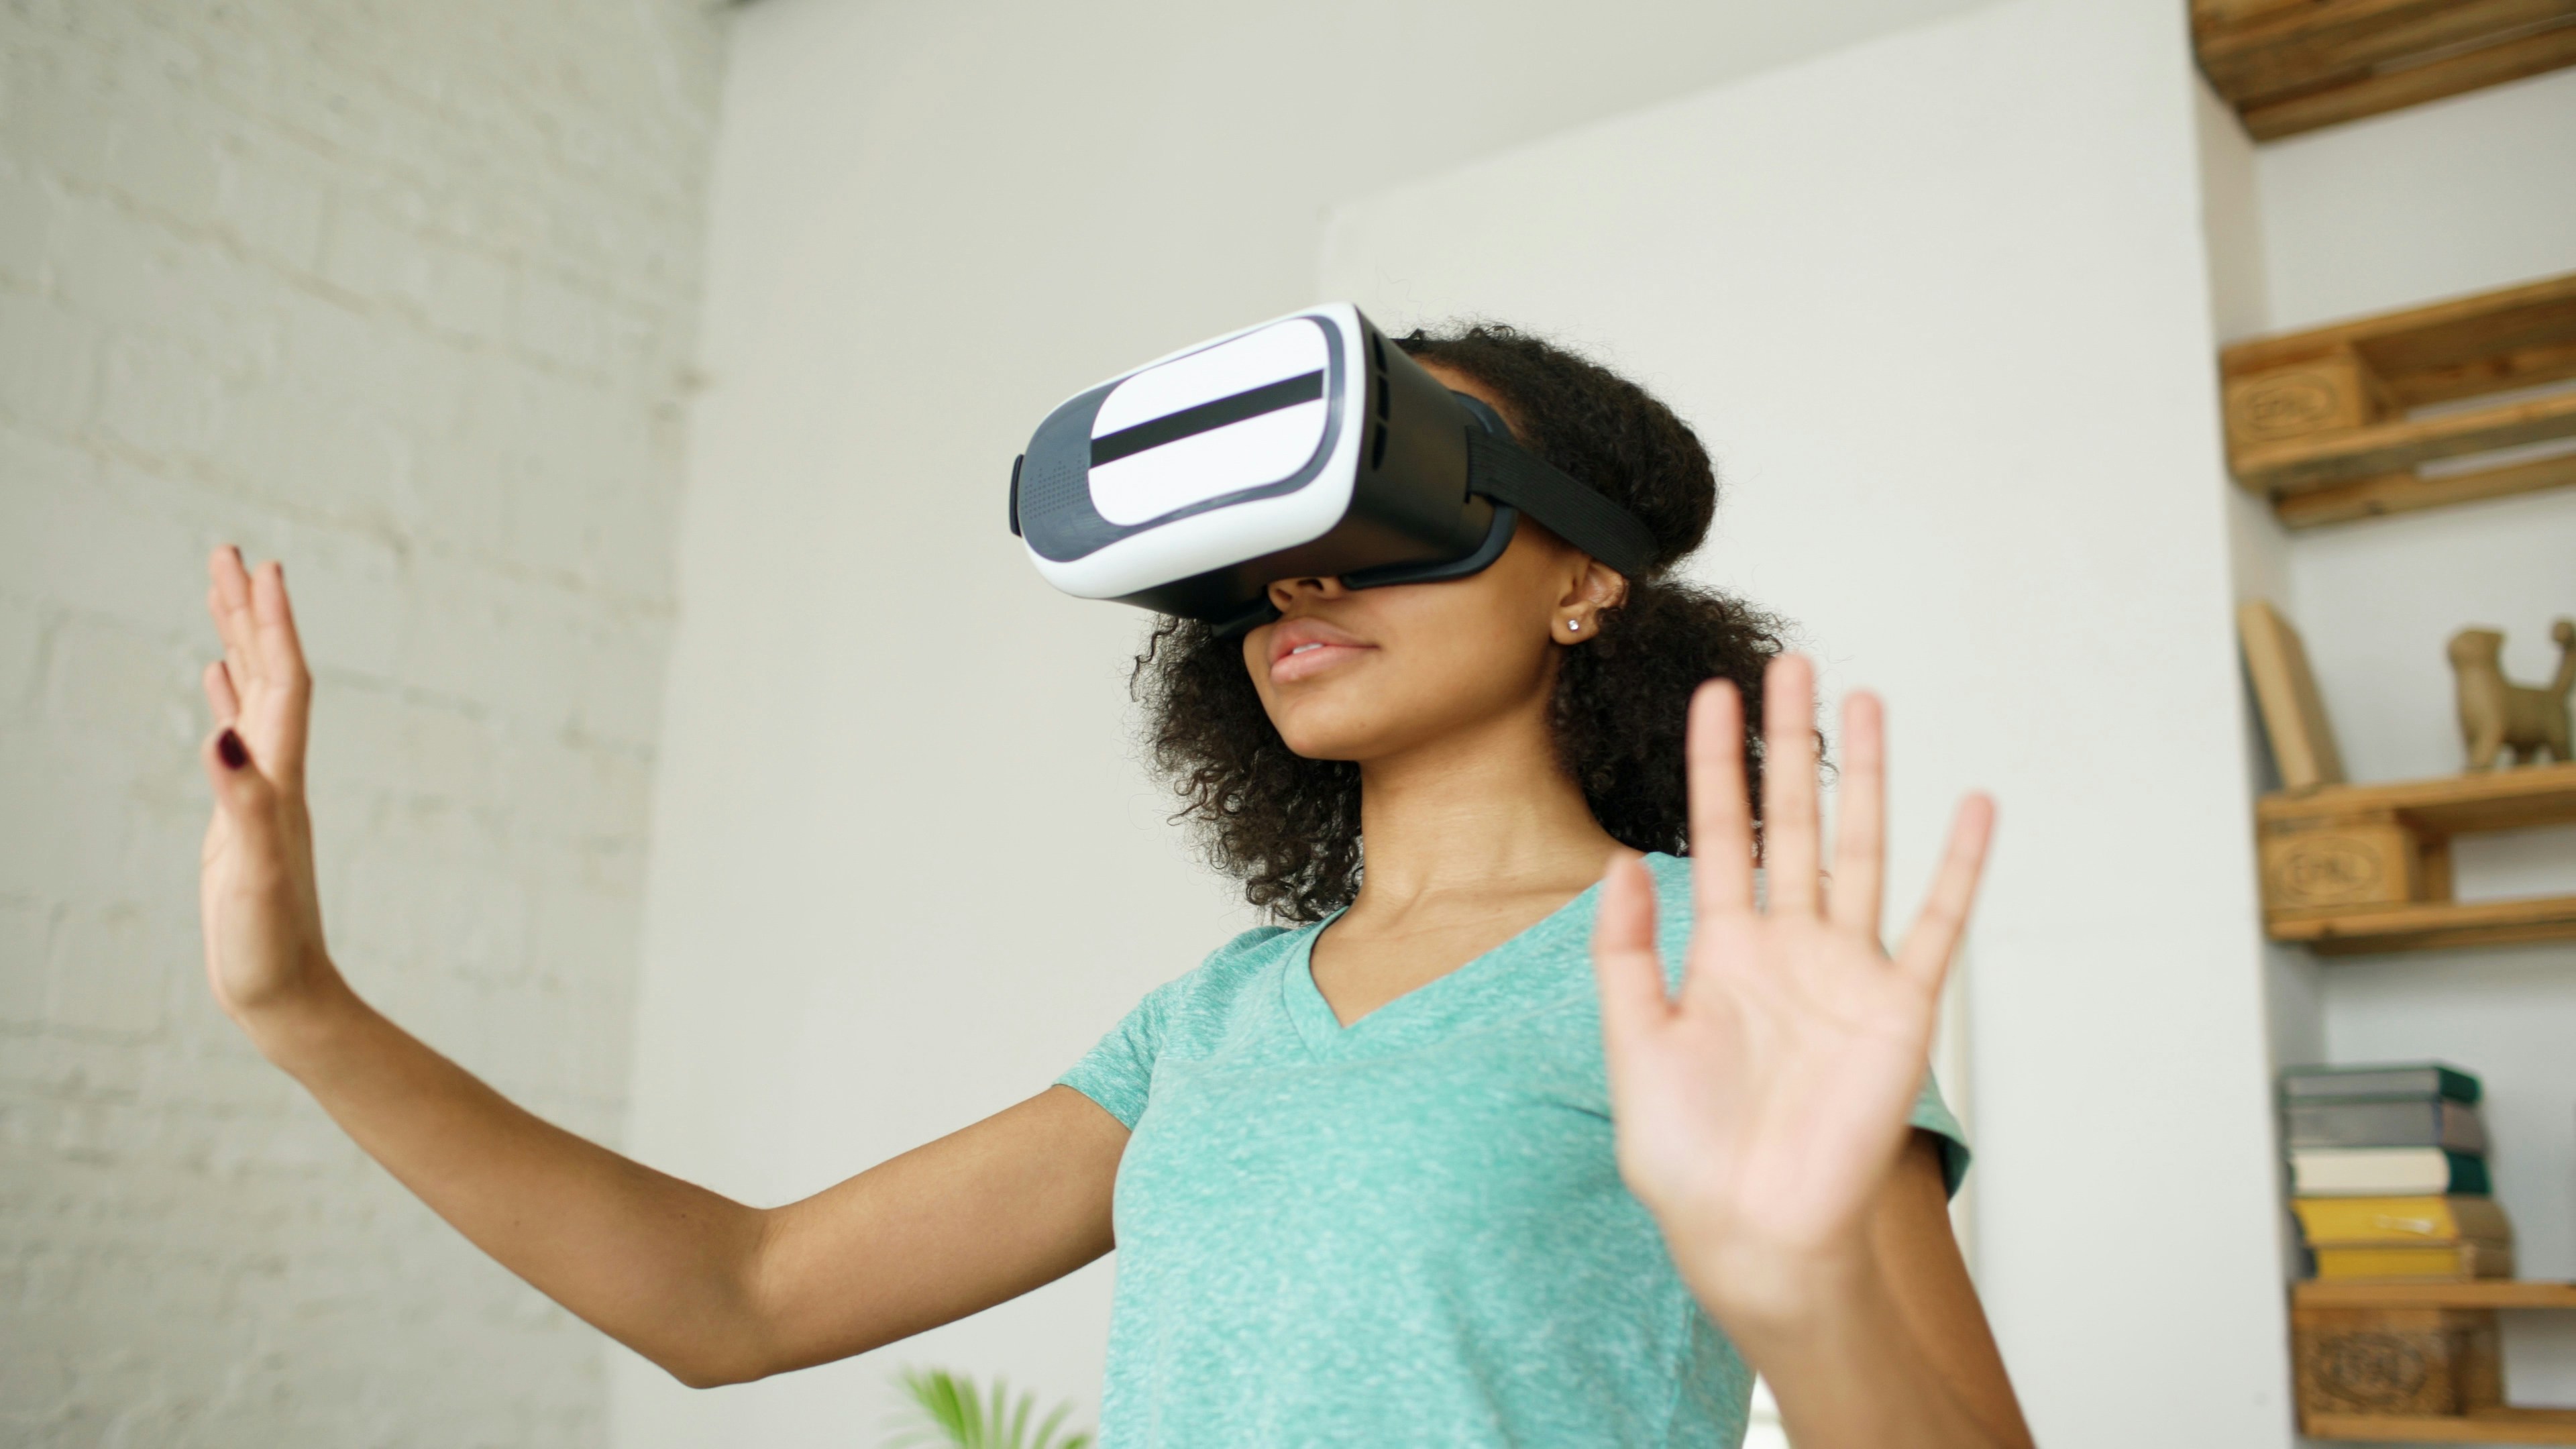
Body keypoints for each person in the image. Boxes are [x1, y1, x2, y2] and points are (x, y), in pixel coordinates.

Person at [194, 325, 2031, 1448]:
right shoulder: (1216, 1020)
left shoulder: (1724, 960)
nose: (1298, 583)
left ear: (1585, 579)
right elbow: (736, 1298)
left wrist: (1801, 1307)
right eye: (1259, 552)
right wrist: (302, 1010)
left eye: (1386, 504)